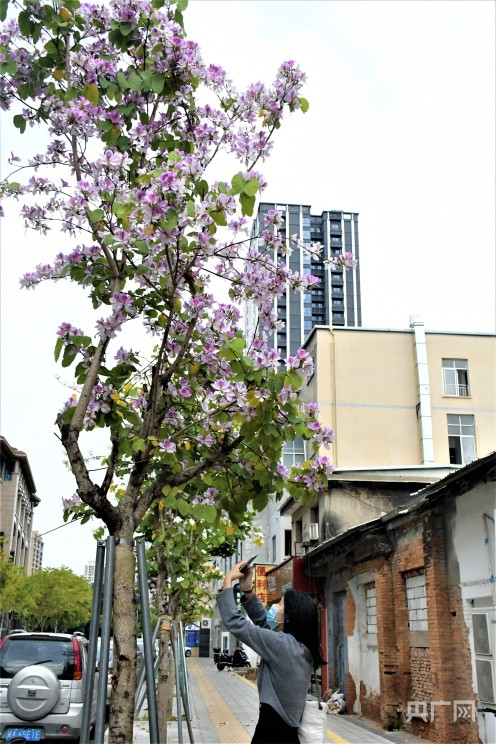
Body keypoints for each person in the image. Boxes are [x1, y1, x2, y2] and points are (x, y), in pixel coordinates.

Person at [217, 561, 326, 744]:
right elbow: (264, 625)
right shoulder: (300, 647)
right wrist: (247, 590)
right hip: (287, 732)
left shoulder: (282, 645)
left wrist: (228, 581)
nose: (275, 607)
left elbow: (236, 623)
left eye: (280, 604)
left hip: (271, 733)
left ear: (289, 616)